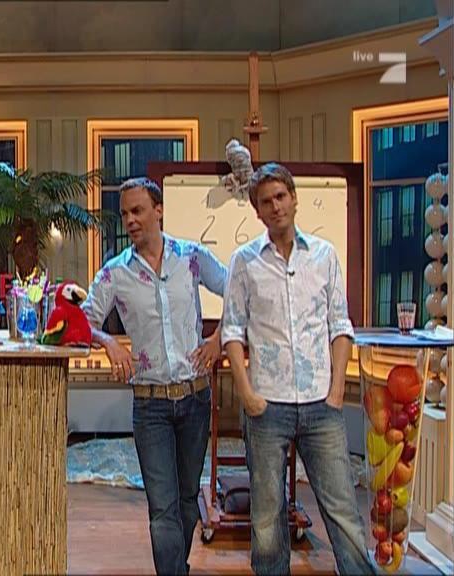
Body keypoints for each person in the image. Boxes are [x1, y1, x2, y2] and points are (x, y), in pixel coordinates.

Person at [221, 163, 374, 575]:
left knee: (342, 509)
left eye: (280, 197)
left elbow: (340, 325)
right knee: (267, 516)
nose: (275, 207)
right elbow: (232, 331)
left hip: (321, 403)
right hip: (266, 405)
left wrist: (337, 390)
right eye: (266, 201)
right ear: (257, 211)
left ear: (294, 198)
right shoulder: (244, 262)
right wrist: (246, 394)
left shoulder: (324, 256)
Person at [82, 176, 228, 575]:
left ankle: (176, 567)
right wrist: (107, 341)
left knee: (186, 501)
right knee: (163, 508)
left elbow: (238, 291)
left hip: (196, 398)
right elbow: (81, 322)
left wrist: (218, 339)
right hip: (151, 407)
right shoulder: (115, 273)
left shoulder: (192, 258)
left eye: (138, 211)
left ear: (158, 211)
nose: (130, 220)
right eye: (125, 214)